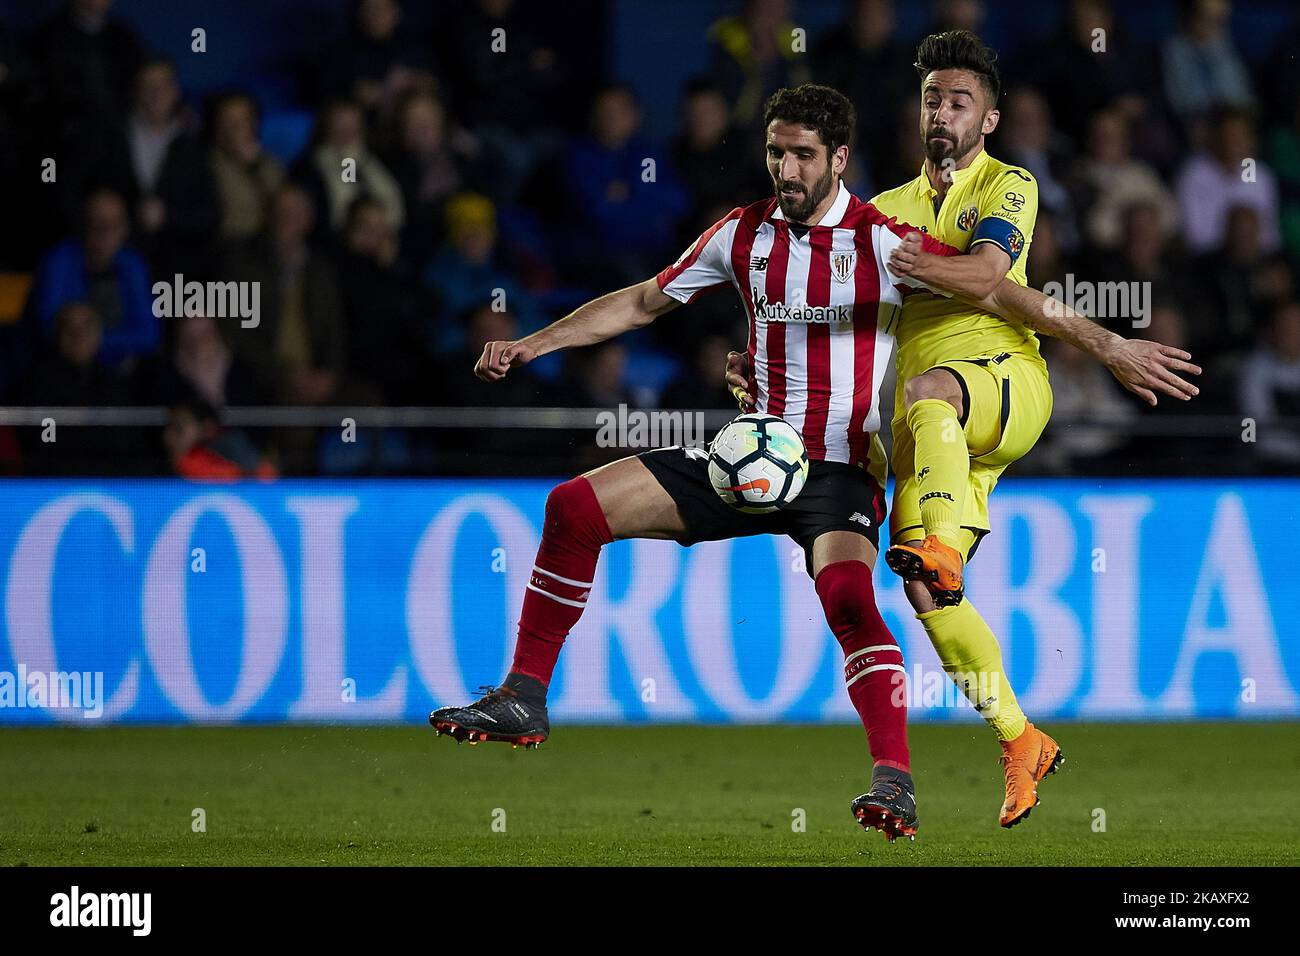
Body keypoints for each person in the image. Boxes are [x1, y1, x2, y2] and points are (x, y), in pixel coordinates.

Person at [432, 85, 960, 842]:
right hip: (748, 458)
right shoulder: (741, 234)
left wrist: (1091, 347)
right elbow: (644, 302)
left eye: (803, 154)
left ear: (840, 158)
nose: (786, 168)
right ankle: (523, 695)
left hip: (838, 470)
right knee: (573, 508)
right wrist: (533, 344)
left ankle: (895, 780)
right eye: (776, 152)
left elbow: (989, 291)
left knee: (848, 594)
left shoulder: (883, 242)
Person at [726, 33, 1202, 829]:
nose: (942, 113)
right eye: (932, 100)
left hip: (1001, 382)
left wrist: (1107, 344)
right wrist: (764, 365)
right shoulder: (886, 212)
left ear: (988, 119)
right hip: (928, 431)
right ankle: (1020, 738)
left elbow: (988, 278)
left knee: (930, 398)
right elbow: (843, 317)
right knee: (924, 588)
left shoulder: (1006, 184)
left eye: (960, 101)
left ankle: (943, 541)